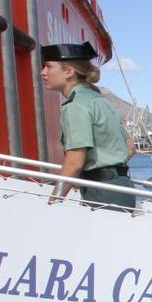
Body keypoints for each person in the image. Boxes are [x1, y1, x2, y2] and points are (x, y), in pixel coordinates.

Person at [41, 42, 136, 209]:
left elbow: (74, 163)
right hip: (123, 188)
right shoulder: (100, 101)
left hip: (101, 192)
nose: (43, 72)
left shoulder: (75, 106)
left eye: (48, 66)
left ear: (69, 72)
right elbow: (130, 148)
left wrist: (53, 202)